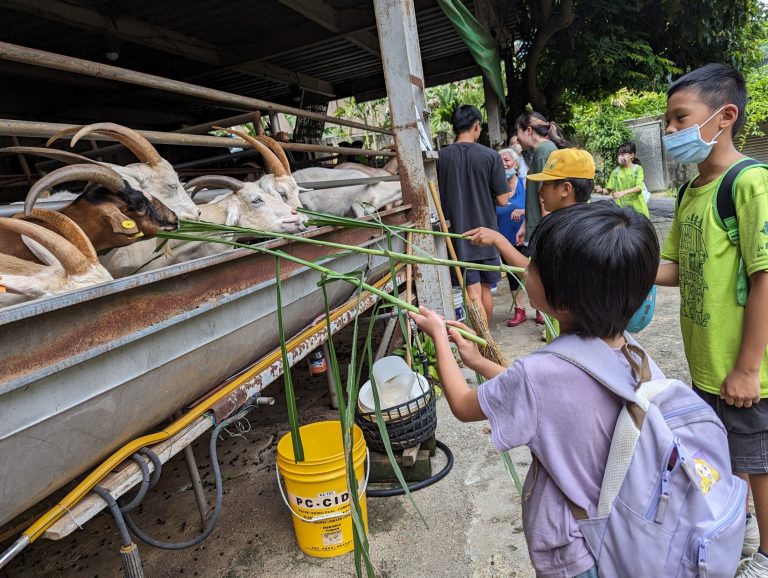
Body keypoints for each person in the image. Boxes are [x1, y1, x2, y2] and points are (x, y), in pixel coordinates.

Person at [410, 202, 661, 577]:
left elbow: (463, 405)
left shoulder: (540, 373)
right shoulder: (635, 354)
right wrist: (477, 362)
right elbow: (542, 394)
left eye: (534, 266)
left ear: (560, 300)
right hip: (625, 537)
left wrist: (440, 342)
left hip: (576, 552)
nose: (526, 269)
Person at [655, 63, 768, 577]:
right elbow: (677, 267)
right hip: (706, 364)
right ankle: (742, 525)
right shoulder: (690, 192)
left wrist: (747, 367)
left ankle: (766, 557)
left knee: (759, 463)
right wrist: (618, 268)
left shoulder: (749, 183)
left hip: (747, 370)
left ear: (725, 117)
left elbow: (765, 274)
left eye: (680, 119)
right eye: (668, 122)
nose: (670, 132)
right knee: (725, 454)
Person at [466, 148, 597, 330]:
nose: (540, 190)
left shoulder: (558, 231)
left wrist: (498, 240)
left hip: (575, 336)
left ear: (566, 189)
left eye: (546, 184)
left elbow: (533, 277)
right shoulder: (593, 222)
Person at [437, 104, 510, 323]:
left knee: (471, 290)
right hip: (486, 232)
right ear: (477, 126)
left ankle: (481, 339)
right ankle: (486, 341)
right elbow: (503, 199)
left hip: (458, 234)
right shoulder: (491, 156)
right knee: (486, 288)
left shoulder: (440, 157)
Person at [513, 112, 568, 246]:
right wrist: (525, 226)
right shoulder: (543, 149)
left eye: (517, 131)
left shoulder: (543, 150)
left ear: (529, 130)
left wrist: (545, 235)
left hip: (540, 234)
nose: (516, 138)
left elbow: (546, 196)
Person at [495, 148, 528, 326]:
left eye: (507, 160)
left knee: (531, 273)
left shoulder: (526, 184)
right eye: (500, 162)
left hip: (525, 237)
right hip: (504, 238)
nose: (504, 165)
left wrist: (523, 211)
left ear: (515, 164)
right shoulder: (494, 190)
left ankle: (540, 310)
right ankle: (519, 310)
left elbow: (537, 208)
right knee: (512, 276)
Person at [597, 142, 650, 218]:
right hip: (622, 212)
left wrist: (623, 193)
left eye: (623, 154)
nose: (620, 157)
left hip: (639, 211)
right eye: (619, 154)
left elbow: (639, 187)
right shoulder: (615, 172)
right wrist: (601, 190)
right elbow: (608, 190)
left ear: (631, 155)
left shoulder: (637, 169)